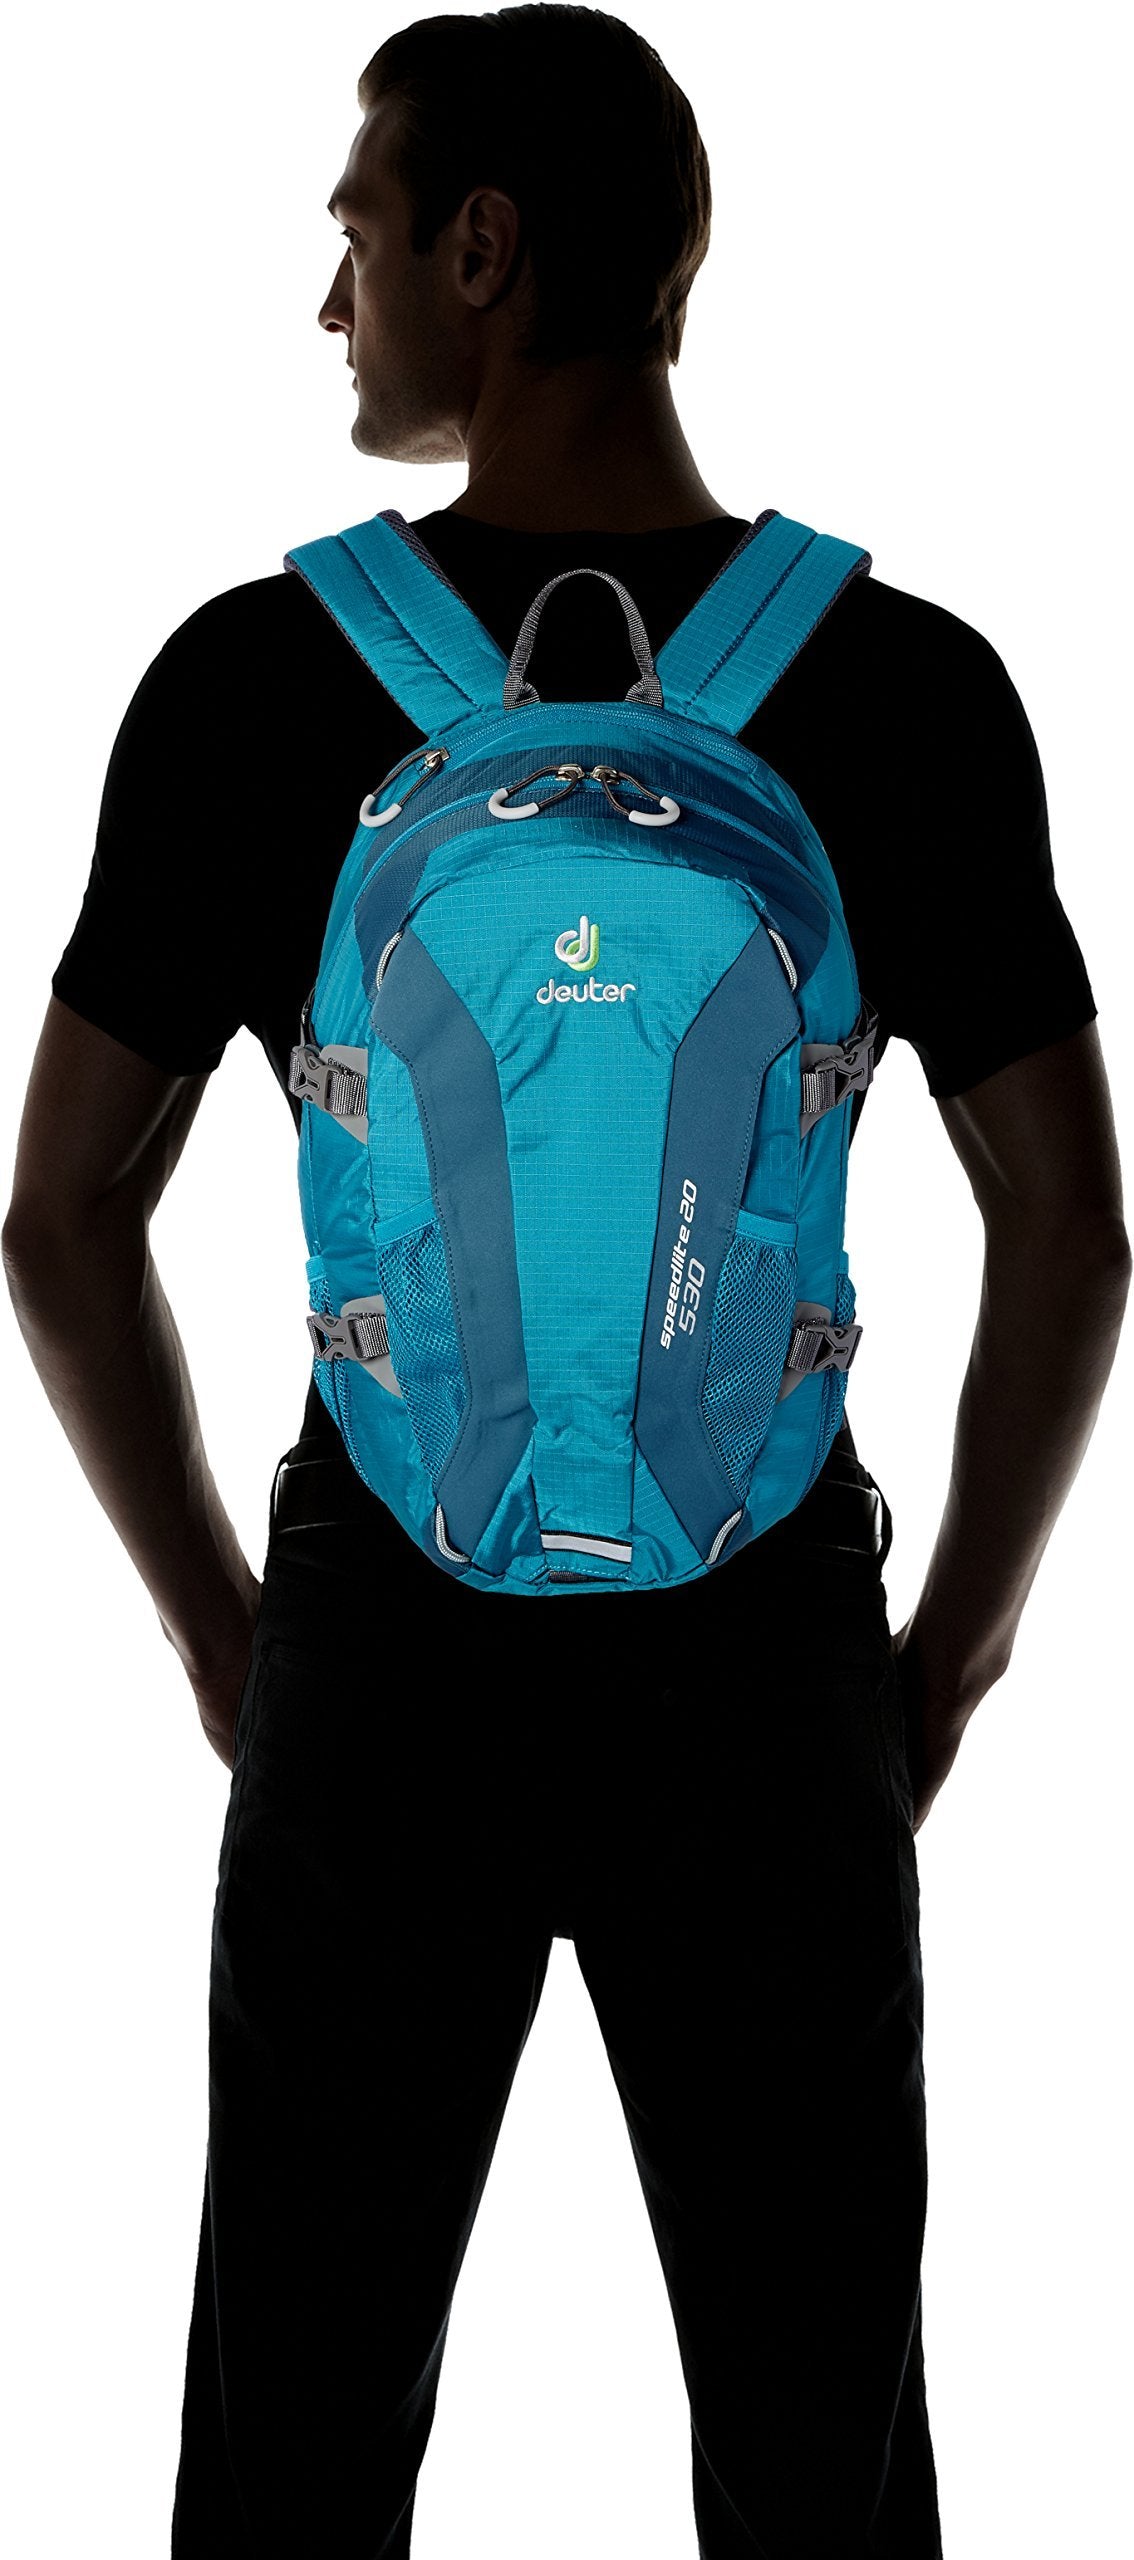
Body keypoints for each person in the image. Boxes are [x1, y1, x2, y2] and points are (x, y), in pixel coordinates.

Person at [3, 8, 1128, 2554]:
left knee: (295, 2420)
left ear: (486, 252)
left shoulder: (250, 680)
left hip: (384, 1624)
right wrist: (939, 1660)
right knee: (819, 2425)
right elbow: (1073, 1225)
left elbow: (58, 1216)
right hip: (764, 1637)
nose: (336, 303)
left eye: (361, 235)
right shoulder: (910, 684)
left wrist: (232, 1638)